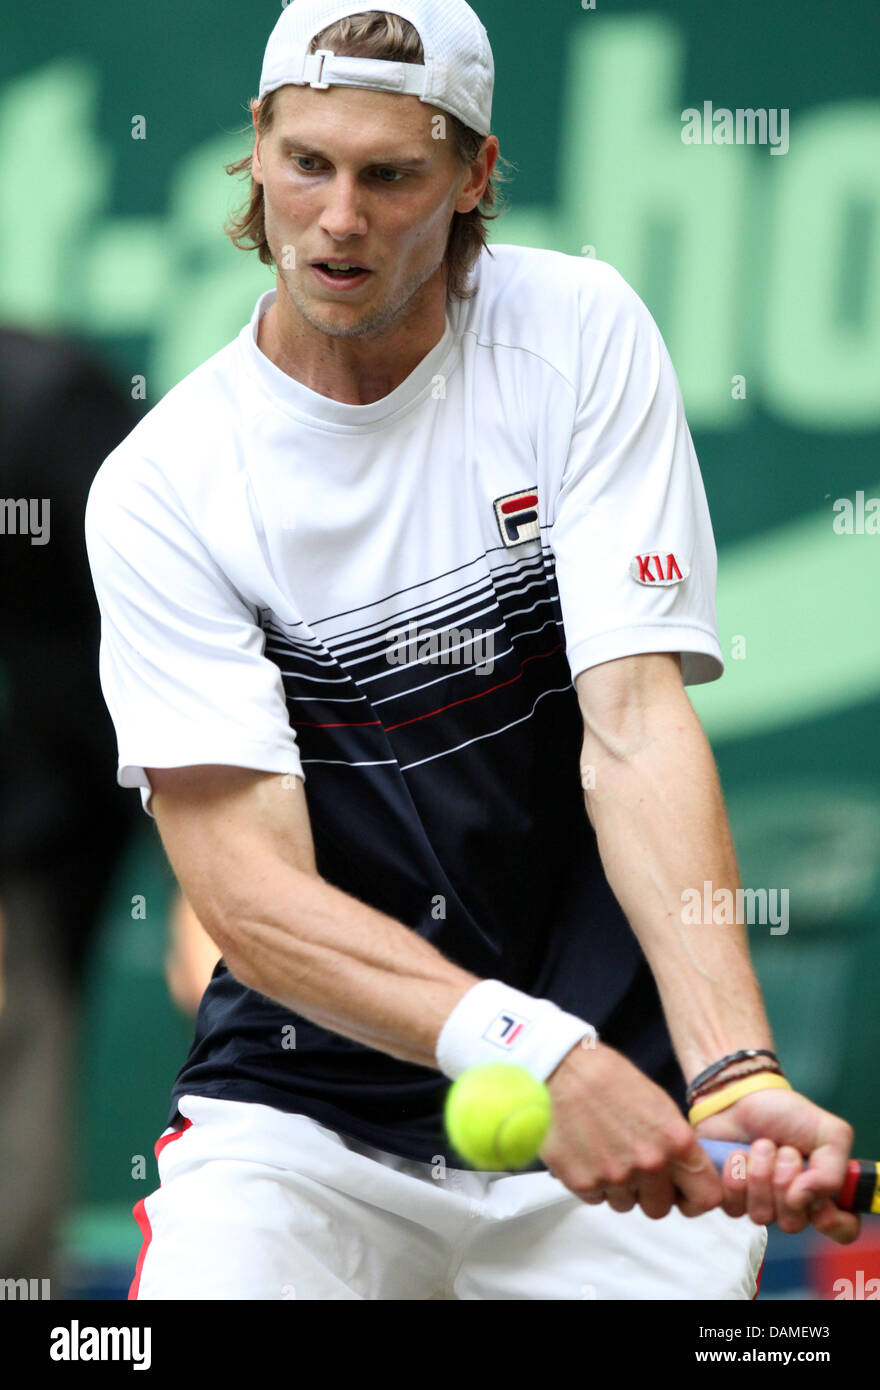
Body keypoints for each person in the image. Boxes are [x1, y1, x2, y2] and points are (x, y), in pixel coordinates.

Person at [85, 1, 858, 1302]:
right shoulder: (163, 487)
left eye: (391, 175)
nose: (339, 216)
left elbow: (633, 725)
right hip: (305, 1121)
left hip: (626, 1107)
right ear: (256, 151)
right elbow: (249, 895)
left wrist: (733, 1068)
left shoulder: (576, 332)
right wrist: (534, 1055)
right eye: (308, 163)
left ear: (473, 175)